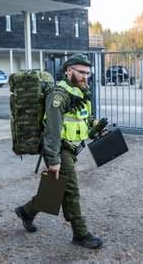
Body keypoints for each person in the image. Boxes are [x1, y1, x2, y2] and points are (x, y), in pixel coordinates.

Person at [15, 53, 103, 249]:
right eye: (81, 72)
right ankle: (80, 234)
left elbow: (82, 120)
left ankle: (25, 212)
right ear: (69, 70)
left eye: (88, 73)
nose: (85, 76)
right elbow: (52, 131)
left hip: (71, 148)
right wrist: (53, 160)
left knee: (55, 190)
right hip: (58, 149)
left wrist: (95, 126)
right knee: (71, 191)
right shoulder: (58, 95)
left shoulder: (80, 91)